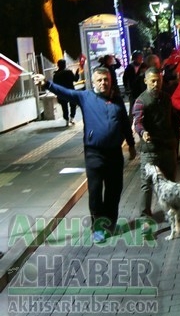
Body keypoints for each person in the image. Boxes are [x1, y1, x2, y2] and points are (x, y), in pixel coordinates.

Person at [33, 68, 136, 243]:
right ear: (93, 82)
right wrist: (46, 83)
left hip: (114, 154)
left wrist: (131, 145)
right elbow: (65, 92)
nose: (103, 83)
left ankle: (109, 224)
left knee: (114, 191)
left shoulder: (117, 101)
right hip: (94, 154)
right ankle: (98, 227)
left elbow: (125, 125)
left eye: (106, 79)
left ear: (110, 81)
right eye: (100, 80)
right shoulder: (86, 97)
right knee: (95, 192)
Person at [132, 67, 180, 225]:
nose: (156, 83)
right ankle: (145, 218)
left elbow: (173, 118)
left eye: (158, 80)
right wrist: (143, 132)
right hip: (150, 150)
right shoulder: (140, 101)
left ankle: (172, 212)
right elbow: (137, 122)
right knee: (147, 184)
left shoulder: (166, 98)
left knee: (170, 181)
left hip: (167, 146)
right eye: (152, 80)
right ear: (145, 80)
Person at [51, 59, 80, 127]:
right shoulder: (68, 72)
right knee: (73, 105)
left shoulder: (56, 74)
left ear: (58, 65)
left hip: (61, 93)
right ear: (65, 64)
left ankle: (66, 120)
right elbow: (75, 79)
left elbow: (55, 85)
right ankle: (72, 118)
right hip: (70, 92)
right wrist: (77, 73)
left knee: (64, 107)